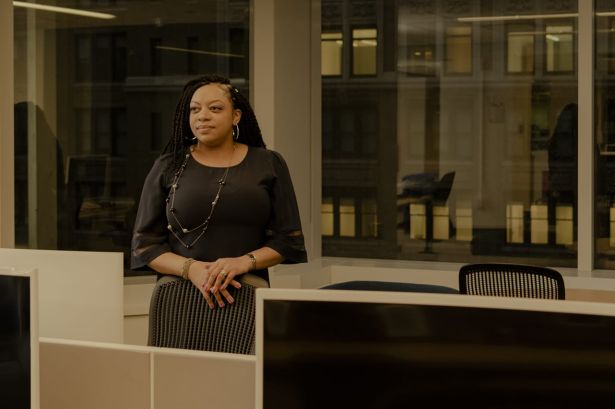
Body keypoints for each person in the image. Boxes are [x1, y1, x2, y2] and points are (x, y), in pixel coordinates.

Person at [131, 74, 307, 309]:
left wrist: (243, 263)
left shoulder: (268, 163)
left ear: (236, 116)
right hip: (179, 302)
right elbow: (145, 246)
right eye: (194, 110)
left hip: (246, 298)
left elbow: (288, 241)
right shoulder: (167, 166)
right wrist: (192, 269)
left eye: (215, 108)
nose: (203, 116)